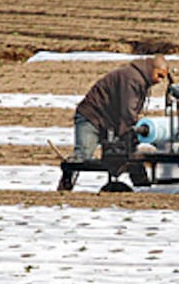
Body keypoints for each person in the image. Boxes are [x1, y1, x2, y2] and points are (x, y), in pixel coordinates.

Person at [57, 55, 170, 191]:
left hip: (109, 120)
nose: (160, 81)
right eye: (159, 76)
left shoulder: (139, 79)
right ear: (152, 69)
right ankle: (64, 188)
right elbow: (127, 111)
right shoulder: (132, 79)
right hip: (92, 116)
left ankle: (144, 190)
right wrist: (131, 134)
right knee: (82, 156)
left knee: (130, 155)